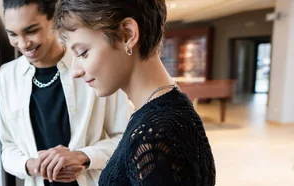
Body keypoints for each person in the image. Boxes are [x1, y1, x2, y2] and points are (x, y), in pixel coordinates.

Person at [53, 0, 216, 185]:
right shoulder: (165, 112)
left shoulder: (158, 133)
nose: (75, 71)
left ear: (127, 34)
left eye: (83, 53)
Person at [0, 0, 132, 186]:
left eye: (31, 30)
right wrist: (30, 165)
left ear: (54, 20)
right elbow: (7, 147)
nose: (22, 44)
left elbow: (128, 139)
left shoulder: (94, 66)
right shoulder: (6, 77)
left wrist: (83, 157)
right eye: (12, 34)